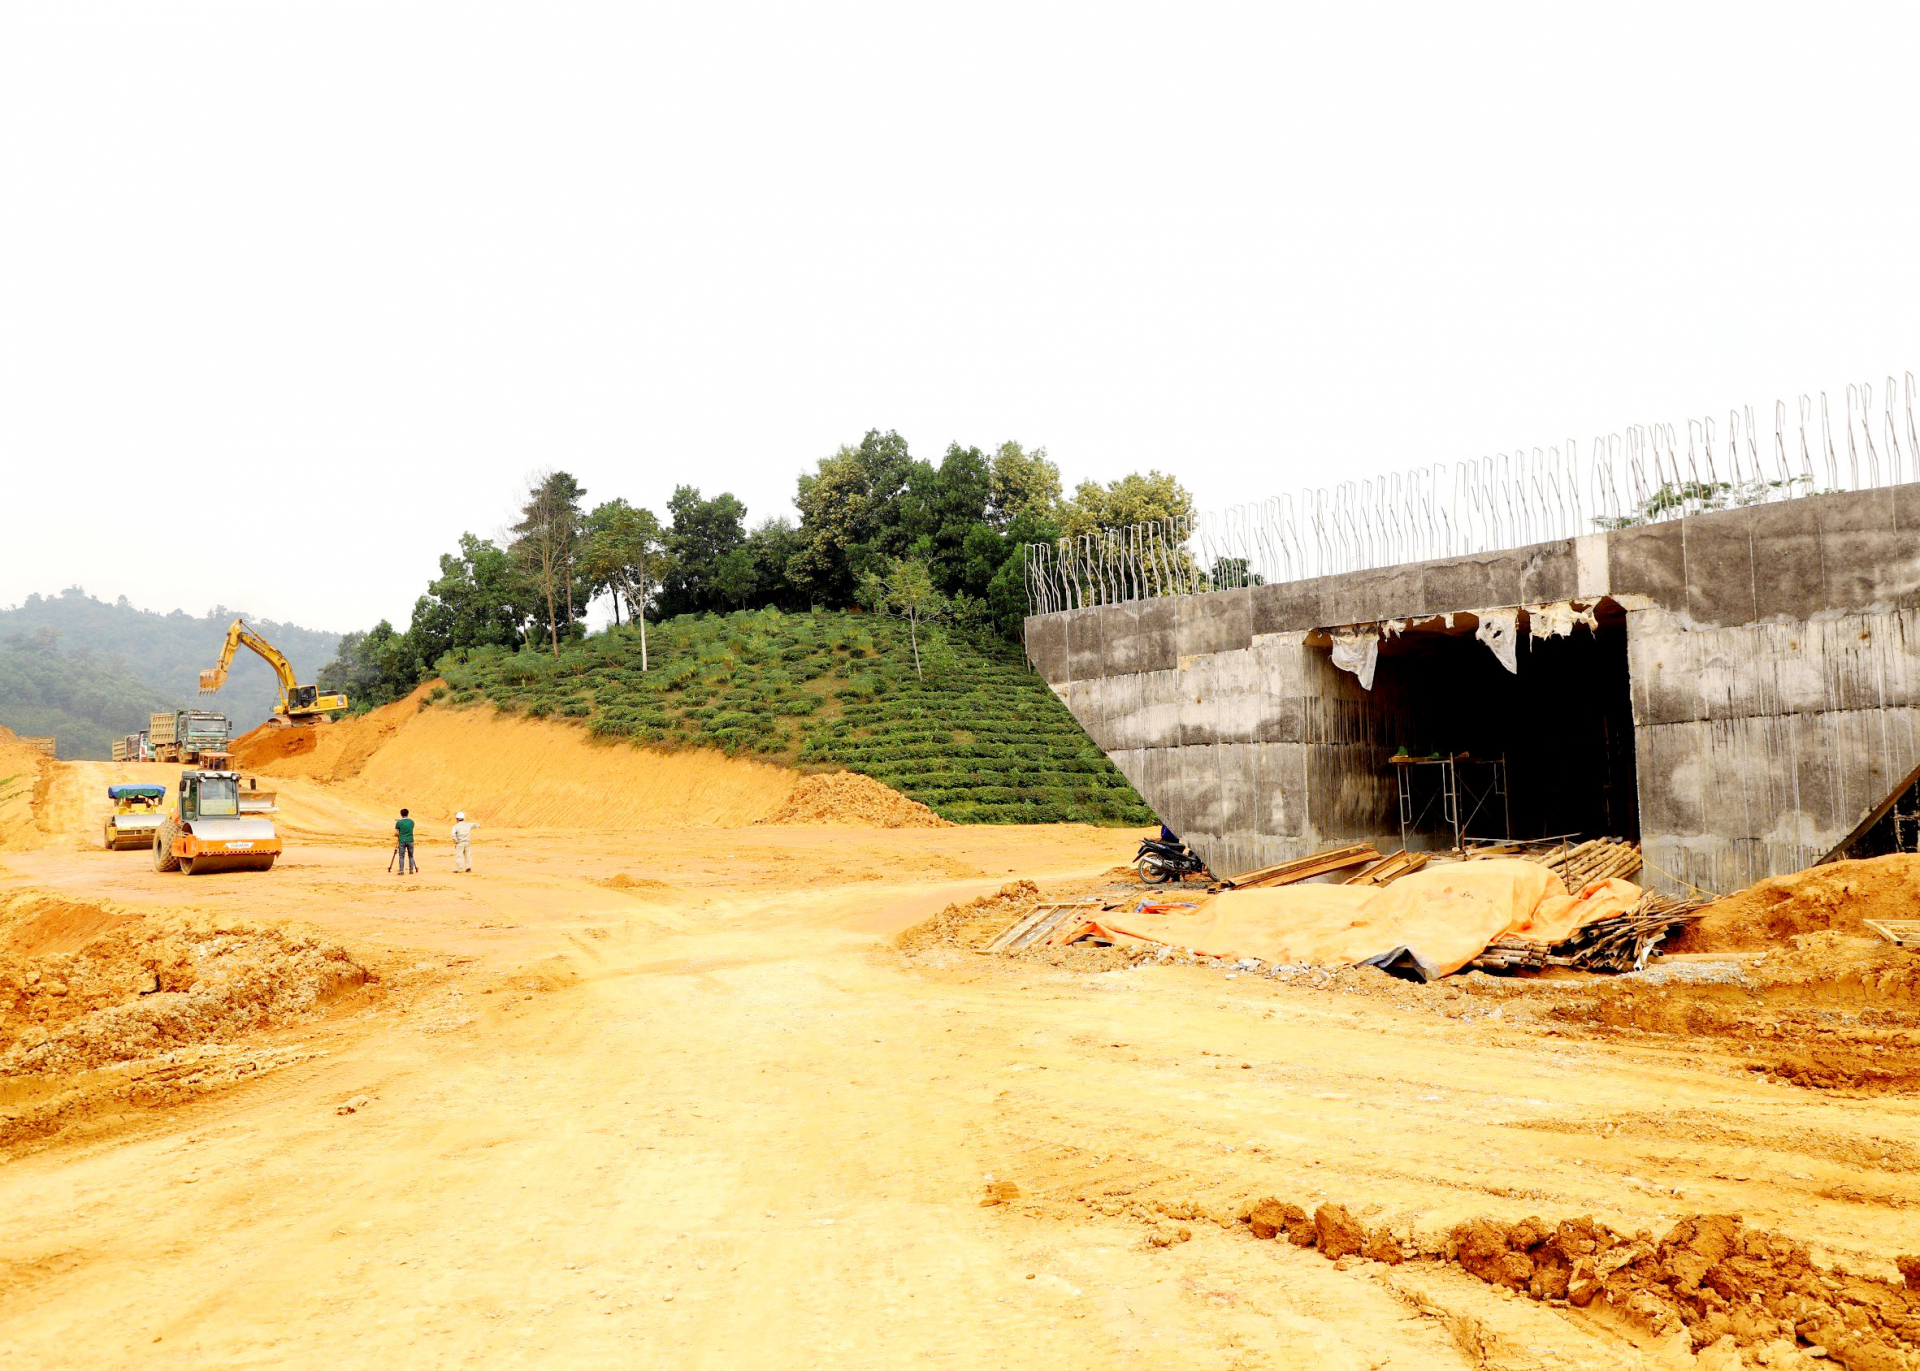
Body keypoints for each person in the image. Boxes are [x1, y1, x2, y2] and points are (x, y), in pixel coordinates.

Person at [394, 808, 417, 875]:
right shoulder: (411, 822)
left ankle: (401, 871)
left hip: (402, 840)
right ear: (408, 813)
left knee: (401, 856)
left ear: (401, 814)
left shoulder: (399, 822)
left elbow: (396, 833)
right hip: (410, 840)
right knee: (411, 856)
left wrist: (400, 835)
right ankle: (411, 870)